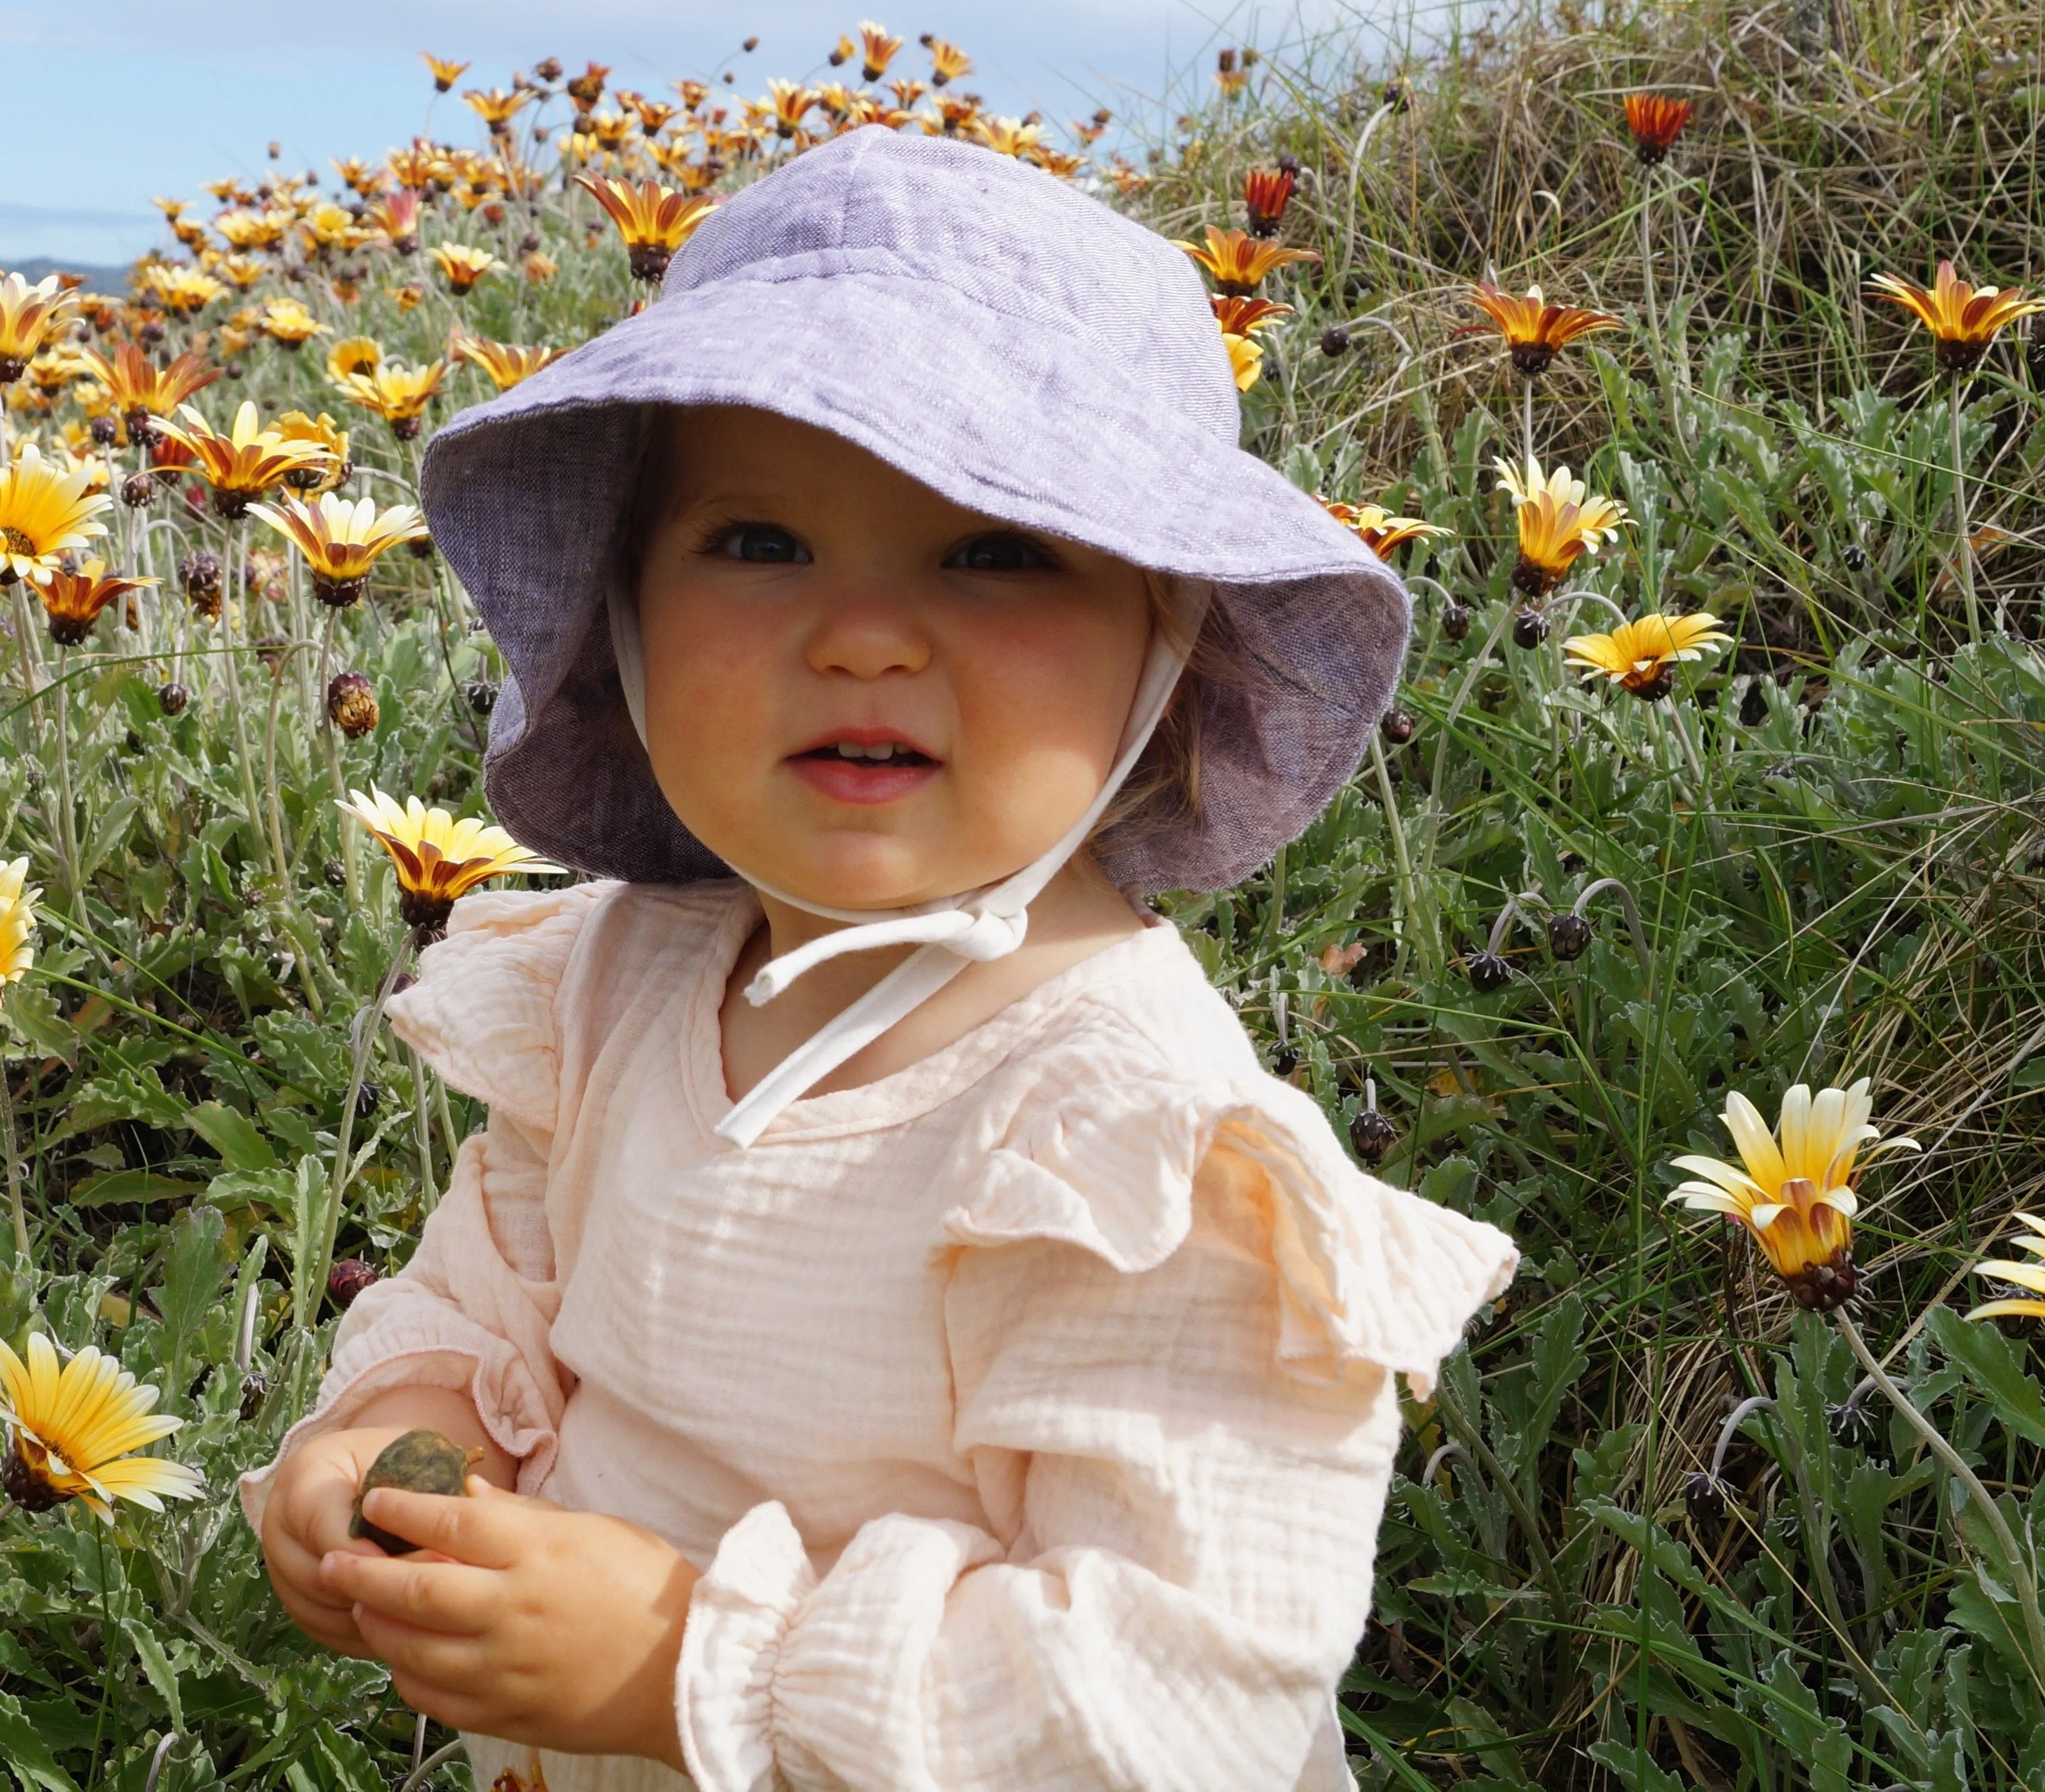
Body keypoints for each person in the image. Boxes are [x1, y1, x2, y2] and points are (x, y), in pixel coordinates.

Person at [245, 127, 1516, 1791]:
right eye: (758, 543)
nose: (861, 633)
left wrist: (688, 1665)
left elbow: (1168, 1705)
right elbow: (500, 1277)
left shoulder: (1120, 1141)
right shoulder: (623, 977)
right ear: (624, 609)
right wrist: (396, 1428)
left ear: (1168, 640)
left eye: (994, 549)